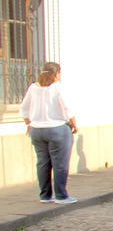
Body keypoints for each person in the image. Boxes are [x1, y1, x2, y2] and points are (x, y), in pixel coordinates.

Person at [19, 62, 78, 204]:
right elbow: (67, 108)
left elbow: (24, 109)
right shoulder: (57, 88)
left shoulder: (33, 88)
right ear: (57, 73)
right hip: (57, 128)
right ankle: (61, 196)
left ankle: (45, 195)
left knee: (42, 163)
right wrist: (74, 124)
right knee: (60, 163)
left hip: (37, 130)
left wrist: (29, 123)